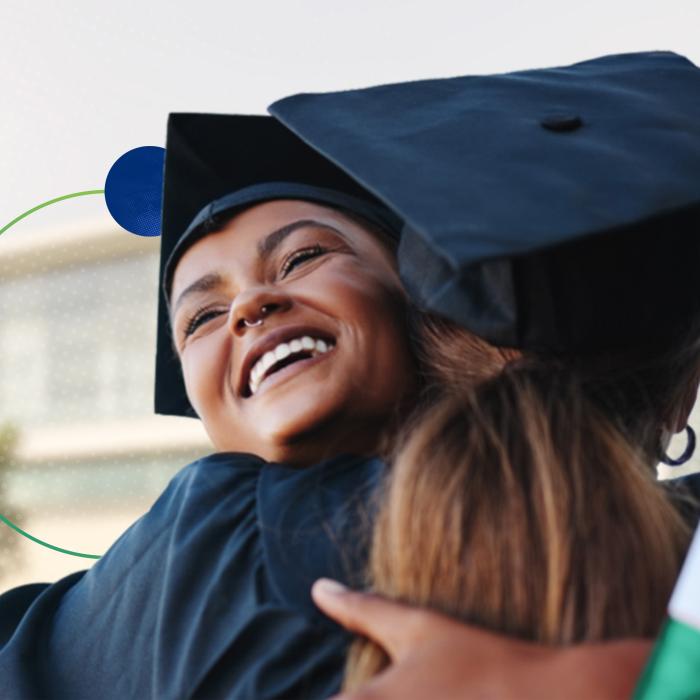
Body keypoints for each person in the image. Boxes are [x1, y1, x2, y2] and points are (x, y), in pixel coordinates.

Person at [1, 50, 699, 700]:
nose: (248, 305)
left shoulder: (642, 522)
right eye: (200, 320)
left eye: (303, 258)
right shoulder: (194, 545)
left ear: (425, 302)